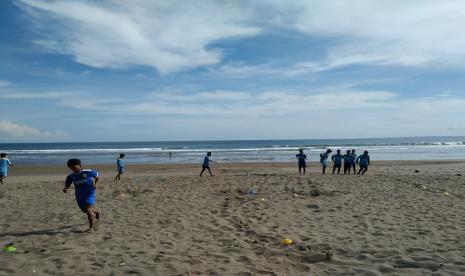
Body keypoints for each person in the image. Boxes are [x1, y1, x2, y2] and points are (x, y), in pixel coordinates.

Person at [63, 159, 100, 233]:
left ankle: (91, 227)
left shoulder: (87, 171)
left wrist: (95, 184)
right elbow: (68, 183)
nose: (73, 168)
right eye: (71, 167)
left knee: (88, 209)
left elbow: (97, 176)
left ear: (79, 165)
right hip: (79, 194)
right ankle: (97, 211)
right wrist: (65, 188)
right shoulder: (71, 176)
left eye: (74, 167)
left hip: (89, 192)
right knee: (85, 210)